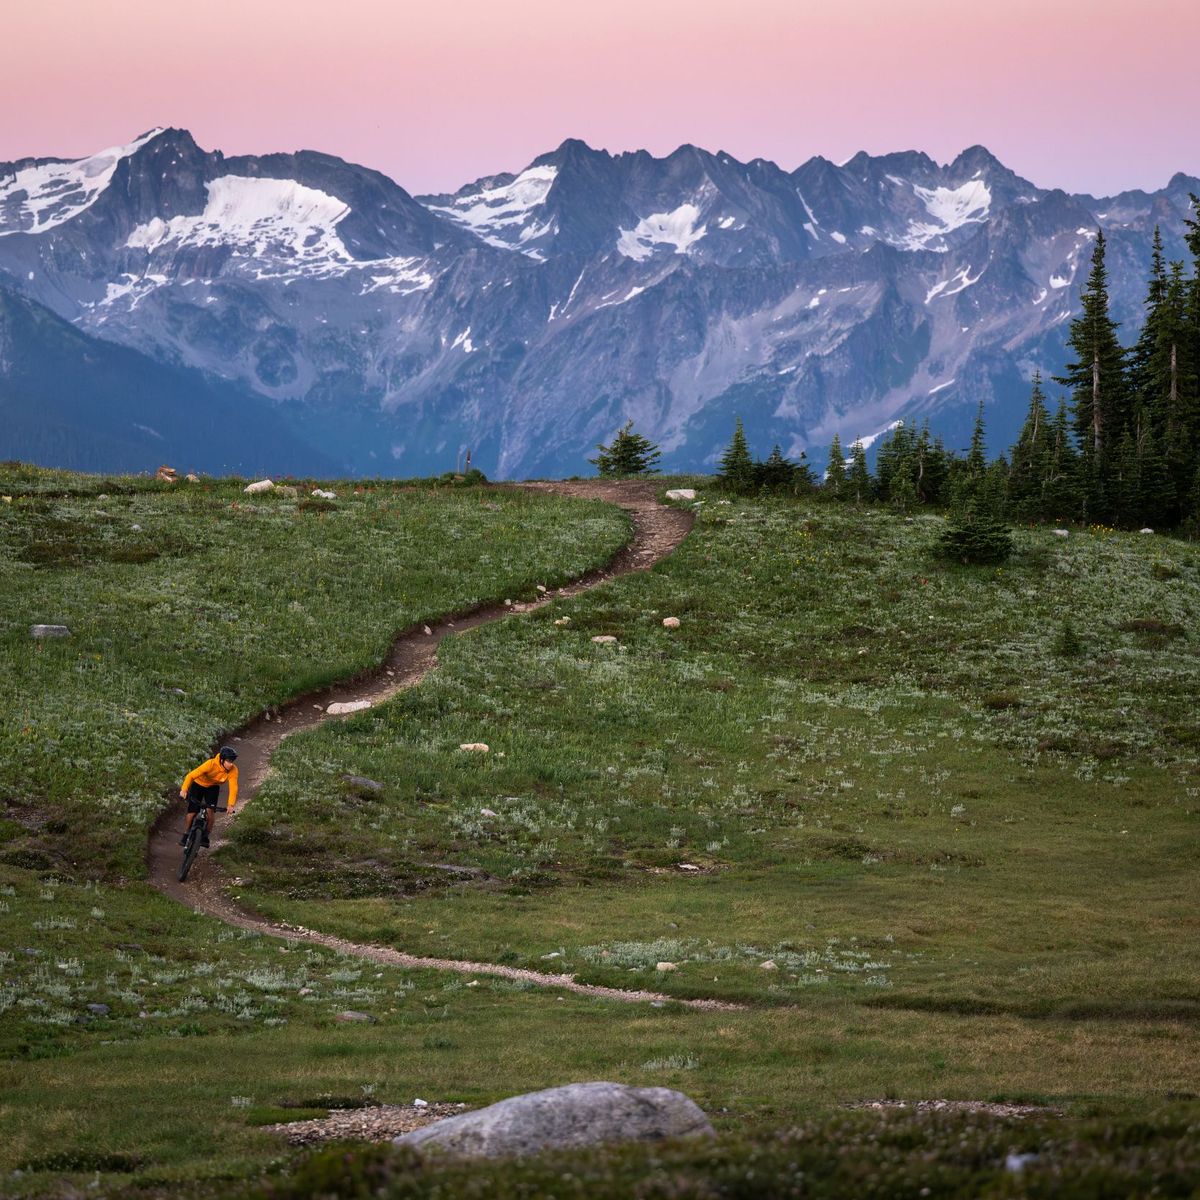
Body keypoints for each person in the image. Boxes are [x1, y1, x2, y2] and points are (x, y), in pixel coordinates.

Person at [179, 746, 239, 847]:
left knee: (210, 812)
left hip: (212, 787)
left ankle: (205, 836)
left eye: (232, 761)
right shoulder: (210, 764)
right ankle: (186, 833)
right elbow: (191, 775)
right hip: (198, 784)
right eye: (229, 761)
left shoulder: (233, 770)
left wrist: (231, 805)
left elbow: (233, 787)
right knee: (192, 812)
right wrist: (184, 789)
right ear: (222, 759)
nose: (231, 764)